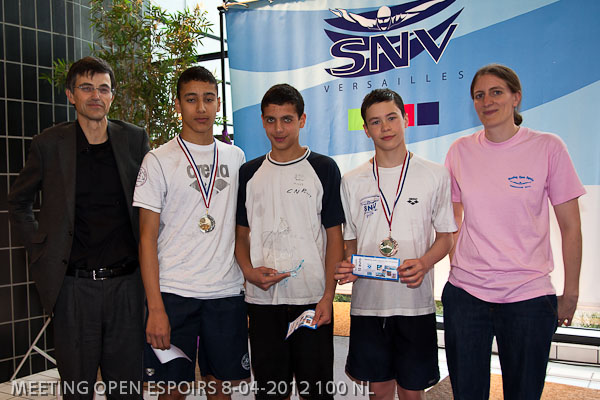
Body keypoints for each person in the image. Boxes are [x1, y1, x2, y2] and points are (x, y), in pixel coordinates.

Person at [8, 56, 149, 399]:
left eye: (103, 88)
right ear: (71, 95)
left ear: (112, 95)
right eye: (87, 88)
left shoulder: (134, 140)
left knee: (127, 389)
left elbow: (152, 204)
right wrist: (40, 247)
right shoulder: (48, 144)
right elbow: (18, 201)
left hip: (127, 287)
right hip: (73, 288)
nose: (96, 96)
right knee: (77, 388)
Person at [443, 64, 585, 399]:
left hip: (528, 297)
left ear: (516, 98)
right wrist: (458, 261)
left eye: (496, 92)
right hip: (466, 296)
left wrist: (571, 294)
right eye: (479, 95)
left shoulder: (548, 147)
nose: (487, 101)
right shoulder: (460, 151)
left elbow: (571, 227)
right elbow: (451, 219)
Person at [133, 66, 249, 400]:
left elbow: (242, 228)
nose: (201, 108)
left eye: (208, 99)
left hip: (225, 292)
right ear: (178, 104)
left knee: (221, 390)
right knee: (173, 391)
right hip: (174, 293)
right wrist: (155, 308)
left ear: (218, 104)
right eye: (191, 99)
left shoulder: (236, 157)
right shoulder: (158, 160)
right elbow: (146, 239)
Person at [334, 88, 456, 400]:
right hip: (369, 304)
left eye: (391, 118)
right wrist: (351, 265)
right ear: (366, 129)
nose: (385, 127)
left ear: (406, 119)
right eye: (375, 122)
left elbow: (446, 237)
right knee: (379, 391)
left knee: (413, 392)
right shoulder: (352, 180)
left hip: (415, 303)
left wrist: (424, 263)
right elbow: (350, 240)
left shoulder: (435, 174)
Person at [235, 83, 345, 400]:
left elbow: (334, 237)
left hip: (312, 300)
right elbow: (240, 235)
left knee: (317, 392)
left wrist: (328, 297)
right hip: (263, 302)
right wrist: (248, 271)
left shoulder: (324, 168)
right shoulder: (249, 172)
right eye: (271, 120)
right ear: (262, 121)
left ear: (302, 120)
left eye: (287, 119)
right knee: (271, 392)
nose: (278, 129)